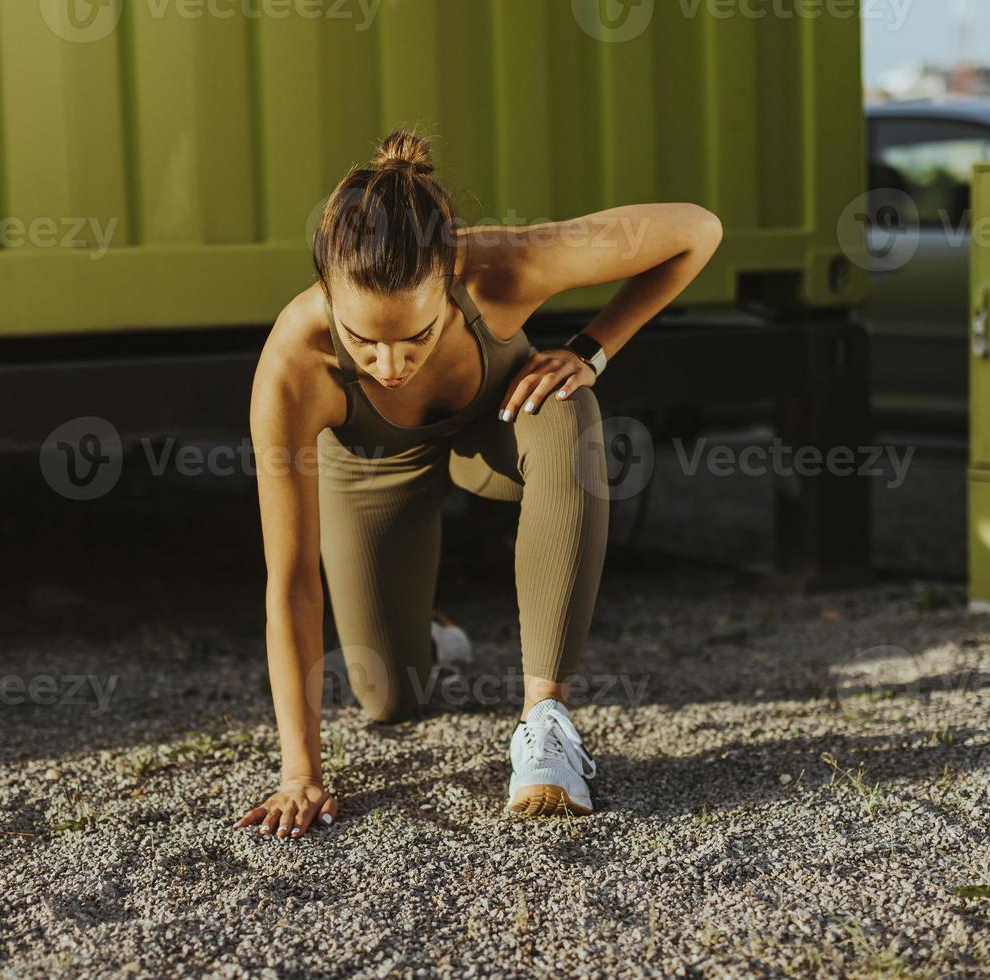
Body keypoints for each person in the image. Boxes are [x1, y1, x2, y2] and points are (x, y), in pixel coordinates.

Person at [238, 129, 722, 839]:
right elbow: (291, 583)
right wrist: (300, 773)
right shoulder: (292, 366)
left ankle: (545, 725)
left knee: (568, 405)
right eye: (364, 341)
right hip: (375, 469)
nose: (389, 364)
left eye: (417, 336)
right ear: (326, 294)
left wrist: (592, 351)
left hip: (497, 434)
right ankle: (437, 638)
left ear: (450, 278)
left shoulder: (503, 265)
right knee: (388, 696)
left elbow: (696, 231)